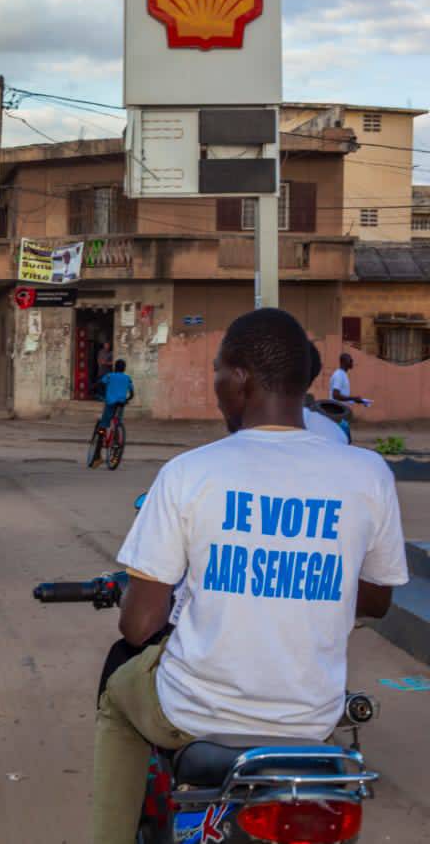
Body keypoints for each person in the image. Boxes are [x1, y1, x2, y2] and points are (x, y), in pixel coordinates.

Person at [91, 307, 407, 844]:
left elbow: (140, 626)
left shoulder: (191, 473)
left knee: (118, 698)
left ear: (238, 379)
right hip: (309, 722)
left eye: (217, 372)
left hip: (194, 713)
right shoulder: (367, 473)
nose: (214, 386)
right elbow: (375, 600)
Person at [304, 343, 348, 445]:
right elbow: (336, 394)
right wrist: (354, 398)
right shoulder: (335, 433)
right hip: (336, 412)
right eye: (350, 360)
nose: (352, 362)